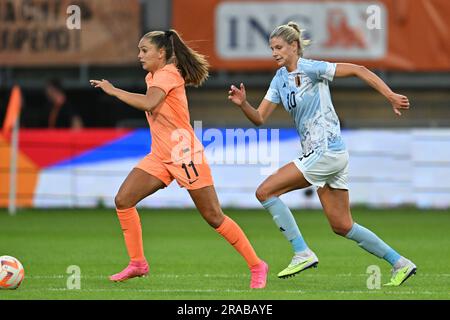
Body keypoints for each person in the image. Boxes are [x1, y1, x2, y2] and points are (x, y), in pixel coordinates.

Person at [228, 21, 416, 286]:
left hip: (326, 149)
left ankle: (301, 252)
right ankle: (401, 263)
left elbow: (358, 69)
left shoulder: (312, 68)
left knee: (265, 192)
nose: (274, 53)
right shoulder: (279, 79)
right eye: (271, 48)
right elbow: (259, 118)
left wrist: (390, 95)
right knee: (342, 225)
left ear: (294, 46)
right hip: (330, 154)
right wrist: (243, 104)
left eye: (279, 47)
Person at [90, 29, 268, 288]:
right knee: (123, 200)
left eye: (144, 50)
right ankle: (138, 263)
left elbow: (150, 104)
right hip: (161, 155)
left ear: (161, 53)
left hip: (185, 155)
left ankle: (257, 265)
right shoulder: (153, 75)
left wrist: (114, 90)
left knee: (213, 216)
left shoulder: (168, 74)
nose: (139, 55)